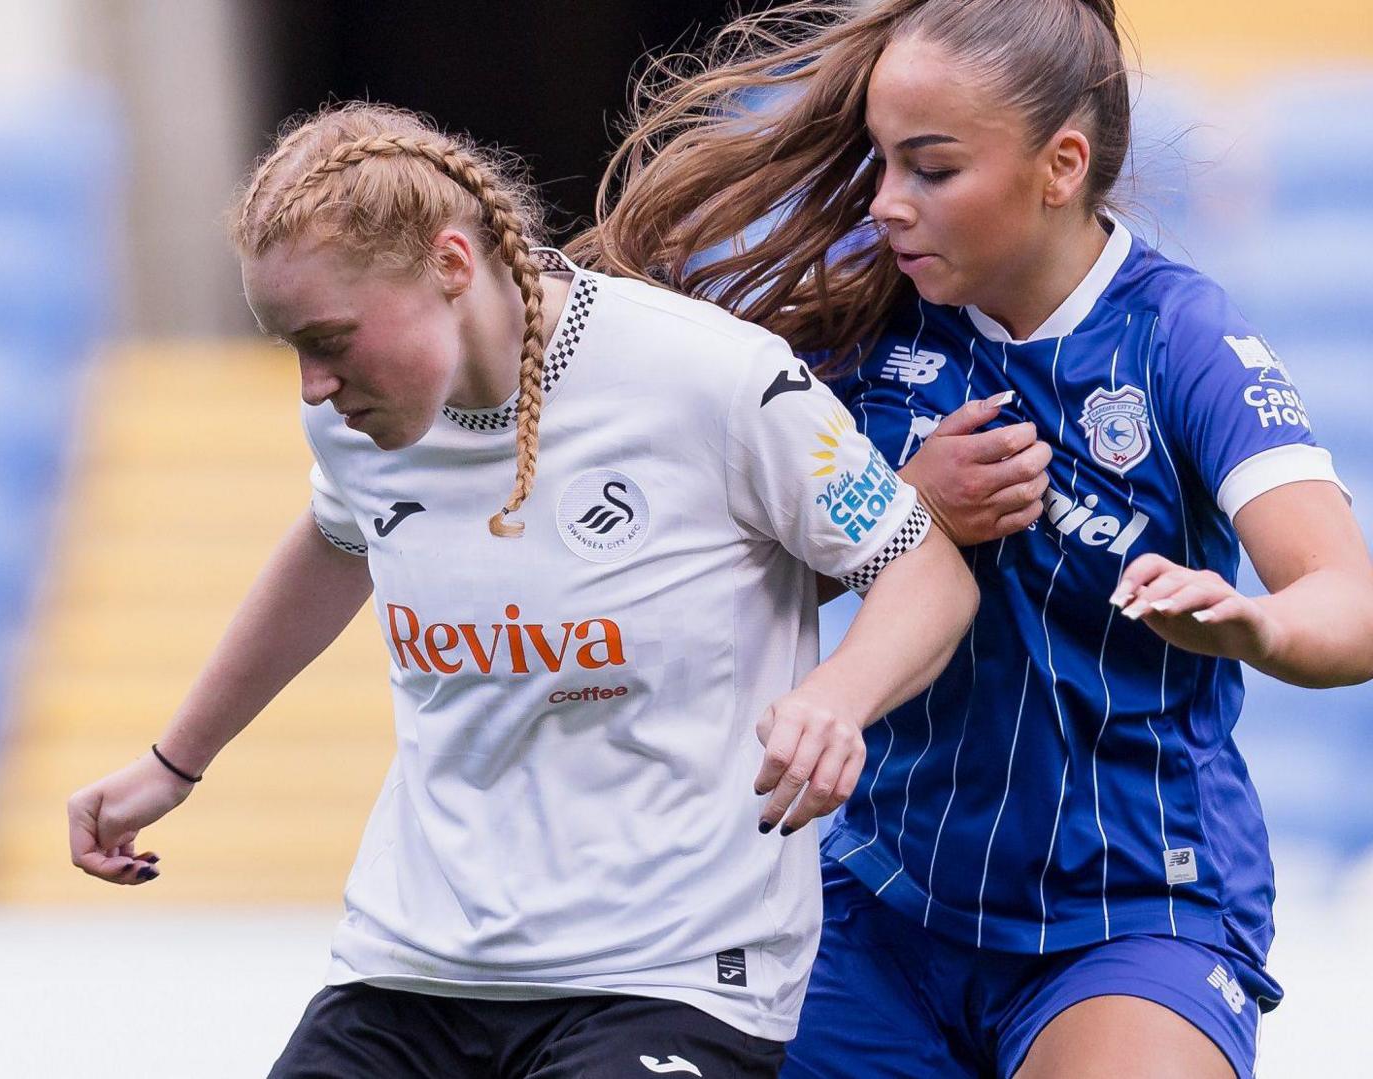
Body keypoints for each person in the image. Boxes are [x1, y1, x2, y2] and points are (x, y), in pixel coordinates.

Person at [66, 102, 978, 1078]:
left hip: (668, 975)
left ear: (452, 266)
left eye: (330, 338)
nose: (312, 388)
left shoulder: (709, 377)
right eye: (291, 346)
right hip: (409, 971)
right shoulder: (360, 422)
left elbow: (924, 571)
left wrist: (835, 700)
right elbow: (337, 543)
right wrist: (176, 759)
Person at [576, 1, 1373, 1076]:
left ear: (1061, 165)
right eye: (881, 164)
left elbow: (1346, 597)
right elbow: (695, 586)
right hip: (885, 901)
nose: (889, 205)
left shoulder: (1182, 341)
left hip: (1135, 913)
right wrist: (907, 511)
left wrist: (1256, 624)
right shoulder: (865, 325)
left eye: (931, 169)